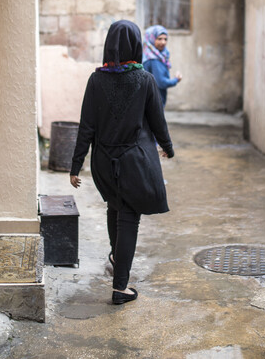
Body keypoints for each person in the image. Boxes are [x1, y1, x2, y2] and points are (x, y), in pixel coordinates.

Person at [69, 20, 174, 305]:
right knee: (130, 218)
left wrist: (76, 165)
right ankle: (120, 288)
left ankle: (116, 256)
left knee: (115, 206)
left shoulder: (96, 79)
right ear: (137, 45)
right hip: (134, 162)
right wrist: (167, 147)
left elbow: (86, 127)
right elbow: (157, 121)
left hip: (103, 162)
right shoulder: (145, 80)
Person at [142, 25, 182, 107]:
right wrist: (176, 79)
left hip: (151, 100)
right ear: (151, 39)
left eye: (165, 39)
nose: (163, 42)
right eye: (159, 39)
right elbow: (161, 83)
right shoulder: (154, 59)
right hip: (154, 102)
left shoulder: (153, 56)